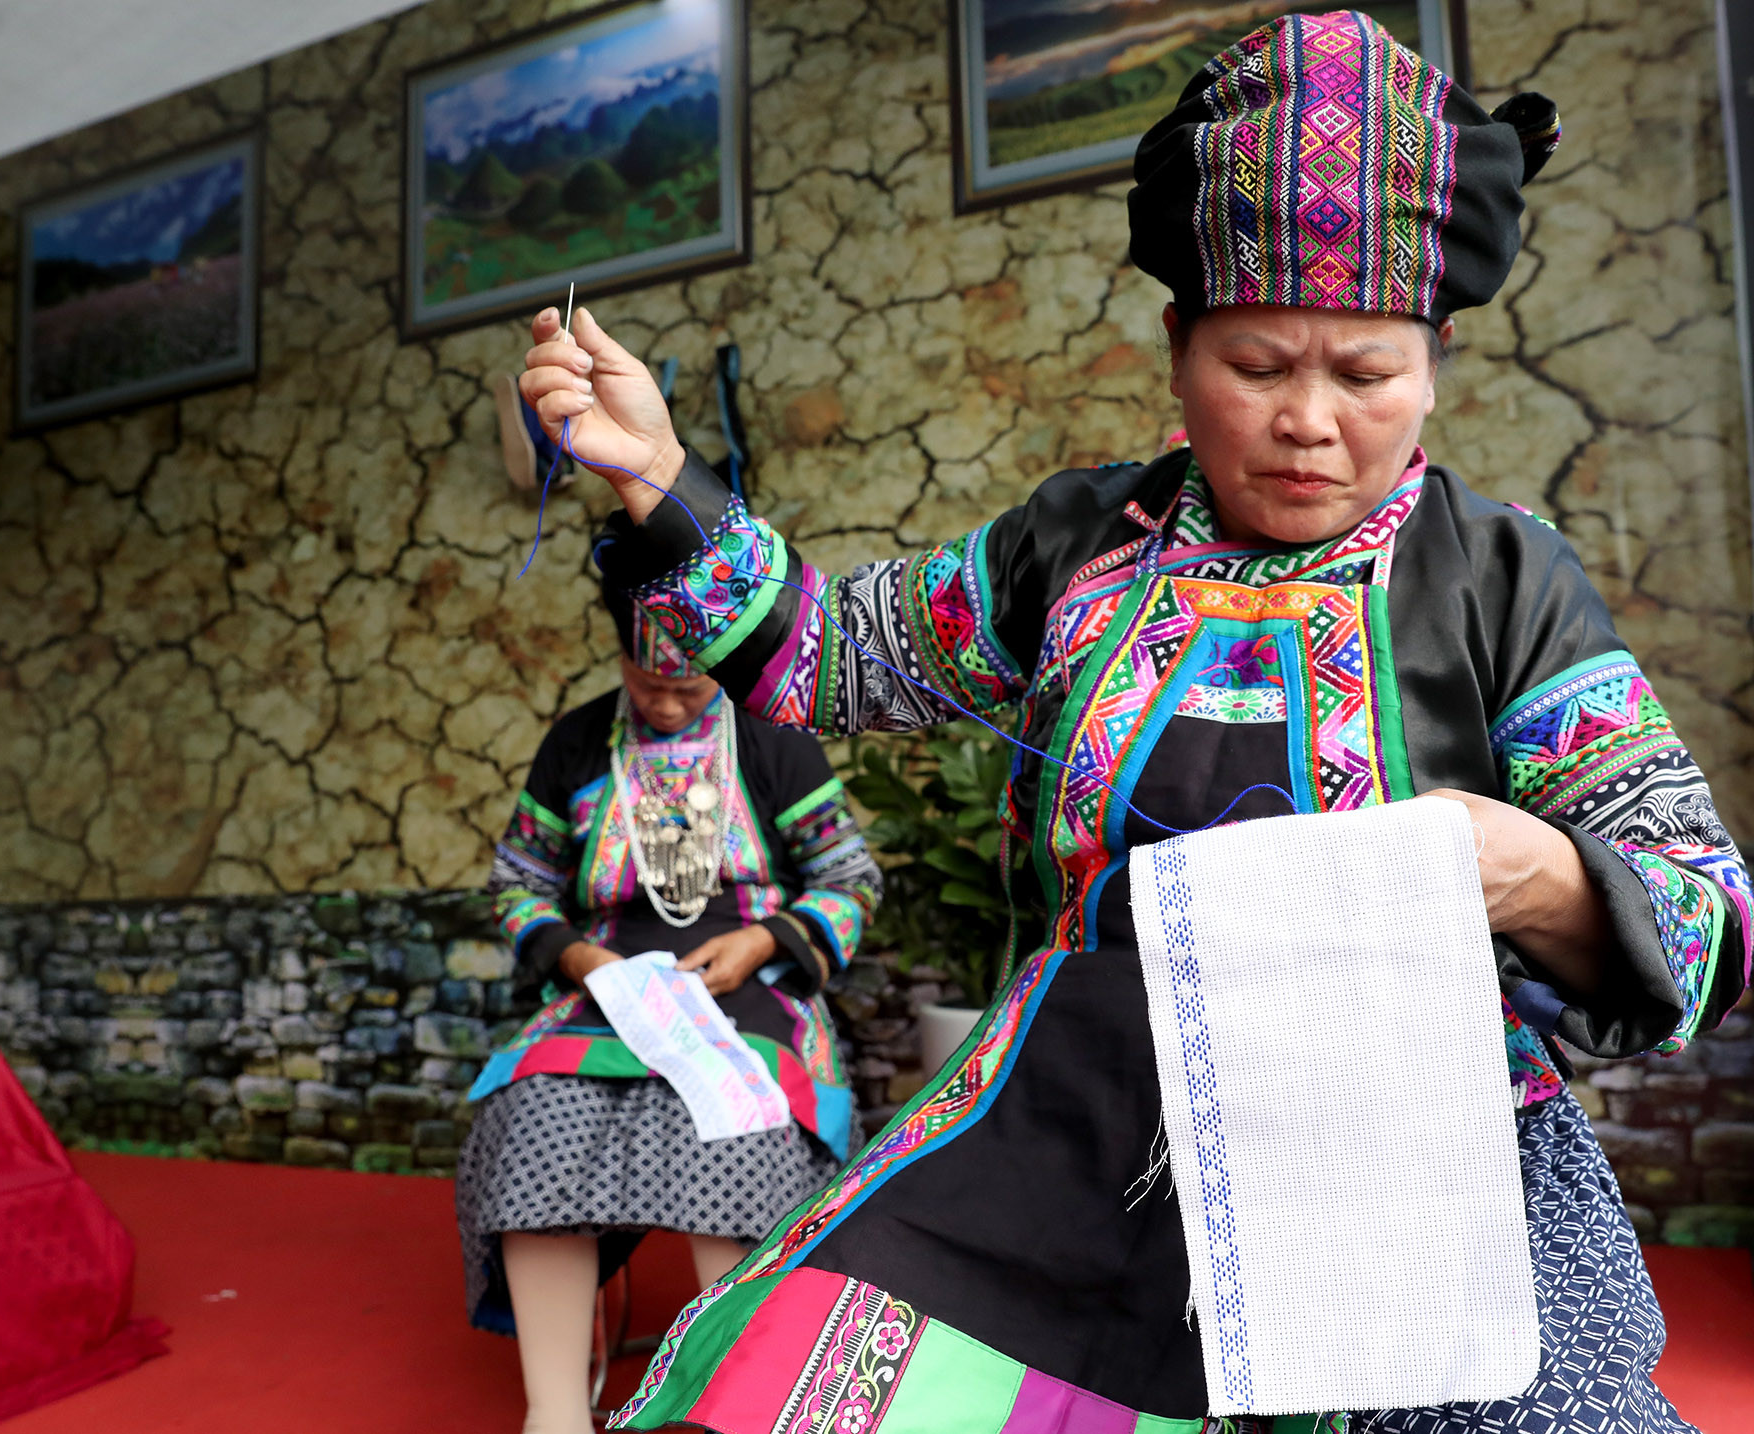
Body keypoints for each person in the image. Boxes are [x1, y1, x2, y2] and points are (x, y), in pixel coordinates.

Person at [516, 12, 1749, 1433]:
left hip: (1407, 1175)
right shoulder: (1078, 546)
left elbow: (1703, 905)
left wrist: (1526, 867)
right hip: (1072, 1134)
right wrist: (662, 477)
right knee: (776, 1393)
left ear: (1441, 358)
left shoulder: (1502, 577)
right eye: (1259, 364)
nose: (1307, 420)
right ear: (1176, 343)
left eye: (1365, 375)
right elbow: (822, 658)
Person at [455, 579, 883, 1434]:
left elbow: (850, 878)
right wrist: (577, 958)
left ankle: (736, 1407)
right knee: (537, 1117)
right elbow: (518, 884)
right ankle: (556, 1411)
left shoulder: (771, 736)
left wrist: (763, 943)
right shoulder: (577, 743)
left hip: (750, 986)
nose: (665, 701)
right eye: (648, 683)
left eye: (688, 687)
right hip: (605, 985)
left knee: (740, 1131)